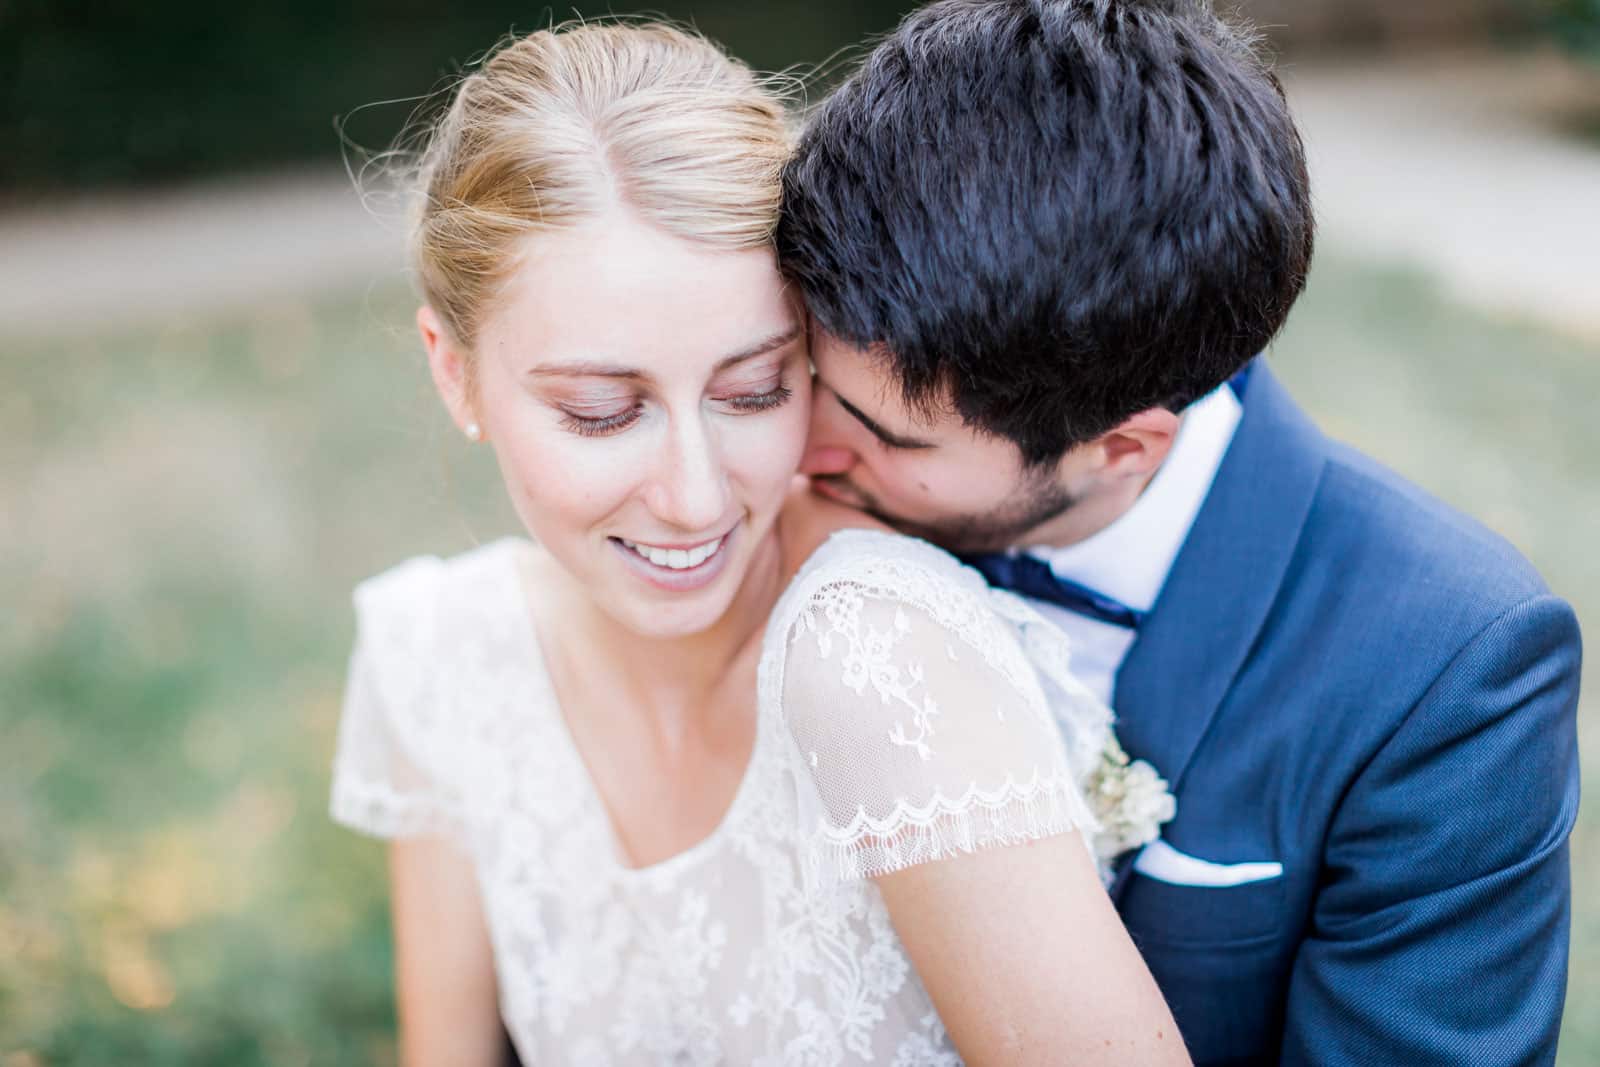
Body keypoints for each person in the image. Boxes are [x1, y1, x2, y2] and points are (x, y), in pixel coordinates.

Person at [329, 21, 1189, 1066]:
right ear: (454, 371)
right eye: (602, 410)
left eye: (753, 390)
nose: (695, 498)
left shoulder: (876, 650)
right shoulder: (441, 649)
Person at [776, 0, 1583, 1063]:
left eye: (883, 434)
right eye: (794, 375)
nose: (802, 447)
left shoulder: (1447, 668)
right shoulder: (752, 516)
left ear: (1124, 446)